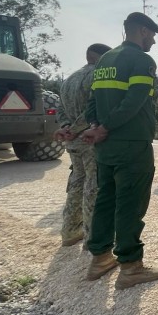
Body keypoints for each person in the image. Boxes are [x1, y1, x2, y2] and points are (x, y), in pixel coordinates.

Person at [80, 11, 158, 289]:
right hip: (131, 145)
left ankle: (100, 258)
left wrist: (96, 126)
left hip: (105, 147)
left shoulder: (105, 60)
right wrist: (105, 126)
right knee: (130, 204)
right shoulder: (142, 60)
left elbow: (93, 100)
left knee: (106, 200)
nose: (153, 41)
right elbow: (134, 102)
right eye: (152, 35)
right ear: (143, 31)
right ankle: (131, 266)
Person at [54, 43, 112, 247]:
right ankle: (92, 236)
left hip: (72, 142)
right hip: (89, 138)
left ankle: (69, 231)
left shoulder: (69, 79)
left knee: (76, 181)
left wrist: (66, 127)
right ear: (103, 57)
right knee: (93, 185)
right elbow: (92, 109)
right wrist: (77, 128)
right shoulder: (97, 75)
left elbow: (60, 108)